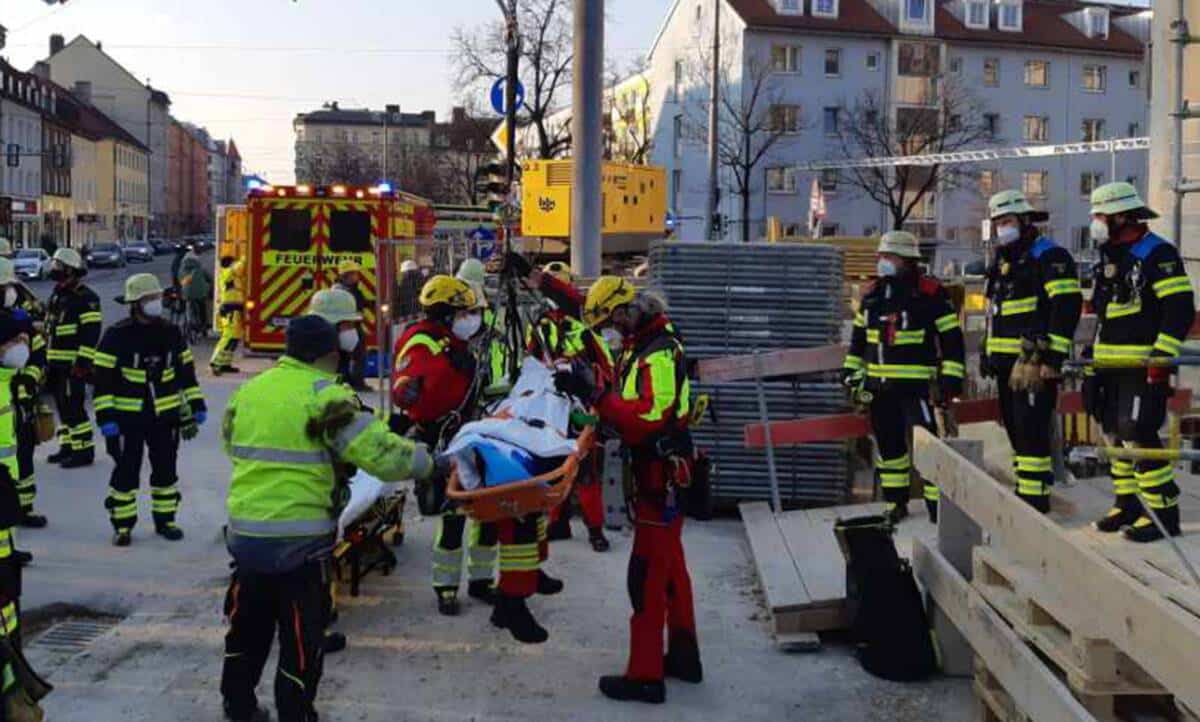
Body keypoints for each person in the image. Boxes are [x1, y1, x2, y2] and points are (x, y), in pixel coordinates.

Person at [221, 314, 436, 722]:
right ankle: (296, 713)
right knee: (301, 638)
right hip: (299, 544)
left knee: (247, 629)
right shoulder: (326, 396)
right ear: (330, 354)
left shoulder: (249, 391)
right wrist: (430, 463)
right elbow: (382, 455)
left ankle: (238, 706)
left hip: (246, 536)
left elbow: (232, 446)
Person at [551, 275, 702, 704]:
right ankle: (686, 656)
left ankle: (645, 675)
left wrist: (596, 393)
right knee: (671, 568)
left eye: (611, 326)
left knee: (647, 576)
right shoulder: (648, 341)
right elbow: (627, 407)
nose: (610, 336)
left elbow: (647, 416)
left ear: (626, 312)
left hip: (660, 475)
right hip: (665, 471)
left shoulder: (655, 352)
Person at [1085, 182, 1196, 542]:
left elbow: (1178, 310)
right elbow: (1105, 316)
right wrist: (1092, 361)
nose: (1096, 223)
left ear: (1121, 216)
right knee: (1114, 434)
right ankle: (1127, 504)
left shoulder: (1157, 254)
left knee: (1138, 433)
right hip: (1109, 366)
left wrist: (1162, 355)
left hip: (1142, 366)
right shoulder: (1109, 255)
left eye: (1100, 215)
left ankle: (1163, 513)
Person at [390, 276, 500, 617]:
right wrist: (455, 369)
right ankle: (446, 587)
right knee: (452, 518)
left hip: (473, 434)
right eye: (465, 312)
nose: (472, 318)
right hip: (443, 439)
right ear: (444, 313)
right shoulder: (421, 342)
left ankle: (482, 580)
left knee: (486, 513)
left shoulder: (453, 341)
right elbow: (412, 395)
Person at [841, 231, 966, 524]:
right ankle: (895, 503)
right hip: (877, 389)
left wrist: (950, 381)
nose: (883, 262)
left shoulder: (930, 294)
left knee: (927, 448)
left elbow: (952, 341)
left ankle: (938, 508)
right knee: (888, 448)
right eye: (881, 256)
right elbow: (858, 344)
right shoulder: (872, 296)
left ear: (908, 261)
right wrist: (851, 376)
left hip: (916, 389)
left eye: (890, 257)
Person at [981, 190, 1082, 512]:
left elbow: (1066, 307)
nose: (1002, 228)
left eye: (1007, 221)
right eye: (997, 222)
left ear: (1024, 221)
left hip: (1033, 363)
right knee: (1014, 427)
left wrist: (1053, 358)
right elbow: (995, 312)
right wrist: (988, 352)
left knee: (1032, 428)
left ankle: (1036, 498)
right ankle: (1026, 491)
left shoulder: (1050, 256)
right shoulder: (1002, 259)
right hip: (1005, 363)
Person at [93, 274, 205, 547]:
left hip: (165, 418)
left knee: (166, 471)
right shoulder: (117, 336)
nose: (156, 303)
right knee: (126, 472)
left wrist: (196, 404)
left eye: (157, 297)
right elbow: (102, 381)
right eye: (149, 299)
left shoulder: (170, 332)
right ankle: (123, 525)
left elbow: (186, 373)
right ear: (135, 303)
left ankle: (165, 520)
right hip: (125, 419)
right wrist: (105, 417)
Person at [523, 260, 613, 552]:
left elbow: (606, 366)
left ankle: (595, 529)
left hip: (583, 403)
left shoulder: (585, 325)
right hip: (552, 403)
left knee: (585, 468)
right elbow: (530, 361)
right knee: (555, 464)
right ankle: (557, 523)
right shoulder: (541, 325)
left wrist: (596, 394)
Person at [0, 259, 47, 531]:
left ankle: (23, 508)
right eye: (5, 286)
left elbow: (39, 352)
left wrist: (30, 378)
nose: (10, 291)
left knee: (23, 454)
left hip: (19, 402)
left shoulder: (20, 321)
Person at [45, 248, 101, 468]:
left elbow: (91, 335)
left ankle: (84, 451)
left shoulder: (86, 298)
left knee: (74, 408)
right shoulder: (59, 293)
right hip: (56, 364)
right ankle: (68, 446)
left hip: (73, 365)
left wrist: (83, 364)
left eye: (58, 266)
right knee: (62, 407)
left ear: (70, 270)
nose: (54, 270)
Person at [307, 288, 364, 387]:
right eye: (348, 324)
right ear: (330, 327)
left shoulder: (336, 366)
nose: (352, 330)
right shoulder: (320, 377)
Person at [333, 260, 368, 390]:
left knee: (352, 355)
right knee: (352, 355)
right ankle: (355, 382)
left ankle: (351, 381)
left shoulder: (351, 289)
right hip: (346, 326)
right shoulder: (341, 291)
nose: (356, 276)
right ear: (345, 276)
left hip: (352, 325)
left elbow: (361, 302)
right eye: (353, 274)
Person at [210, 255, 245, 375]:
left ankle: (225, 363)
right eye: (233, 263)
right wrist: (245, 257)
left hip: (234, 310)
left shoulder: (232, 275)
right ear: (230, 264)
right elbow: (238, 267)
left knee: (234, 337)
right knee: (228, 337)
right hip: (230, 310)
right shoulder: (227, 272)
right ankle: (215, 362)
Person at [179, 245, 212, 335]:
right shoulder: (200, 268)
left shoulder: (182, 269)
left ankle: (188, 321)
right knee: (202, 307)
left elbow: (180, 279)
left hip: (187, 293)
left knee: (187, 303)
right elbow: (209, 278)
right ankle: (203, 325)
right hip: (200, 293)